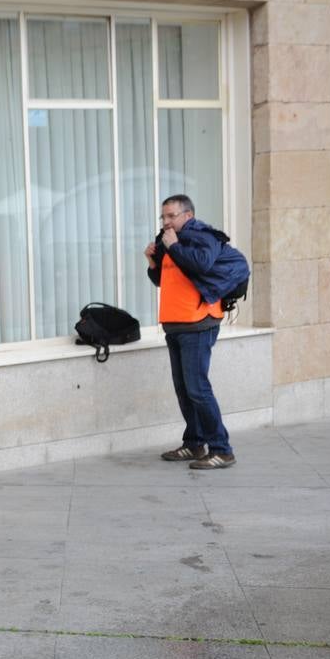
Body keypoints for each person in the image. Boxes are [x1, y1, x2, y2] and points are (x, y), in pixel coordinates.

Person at [145, 194, 235, 469]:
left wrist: (173, 247)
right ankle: (194, 444)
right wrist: (152, 261)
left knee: (198, 389)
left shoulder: (203, 235)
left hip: (198, 322)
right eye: (163, 217)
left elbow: (202, 264)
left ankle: (222, 449)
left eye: (171, 216)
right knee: (184, 390)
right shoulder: (168, 241)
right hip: (175, 323)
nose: (166, 222)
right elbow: (165, 279)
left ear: (188, 216)